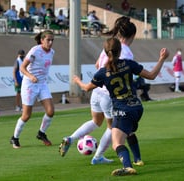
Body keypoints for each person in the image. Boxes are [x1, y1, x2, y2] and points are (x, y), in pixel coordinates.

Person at [73, 37, 169, 176]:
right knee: (128, 131)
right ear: (120, 51)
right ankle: (137, 159)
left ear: (106, 53)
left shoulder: (102, 72)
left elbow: (87, 88)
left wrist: (77, 81)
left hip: (122, 109)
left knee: (116, 143)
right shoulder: (129, 64)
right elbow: (152, 75)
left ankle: (127, 167)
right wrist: (162, 58)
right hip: (137, 107)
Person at [59, 16, 143, 166]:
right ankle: (98, 156)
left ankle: (71, 138)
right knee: (112, 127)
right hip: (111, 96)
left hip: (96, 92)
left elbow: (98, 65)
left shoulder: (109, 47)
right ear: (132, 35)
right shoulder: (126, 52)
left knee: (96, 122)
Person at [10, 30, 55, 149]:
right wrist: (31, 76)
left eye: (52, 40)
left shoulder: (52, 52)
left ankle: (41, 133)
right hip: (30, 84)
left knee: (50, 111)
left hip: (42, 84)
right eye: (48, 40)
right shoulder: (35, 50)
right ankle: (14, 138)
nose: (50, 42)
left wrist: (40, 79)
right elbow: (22, 68)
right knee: (26, 115)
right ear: (42, 40)